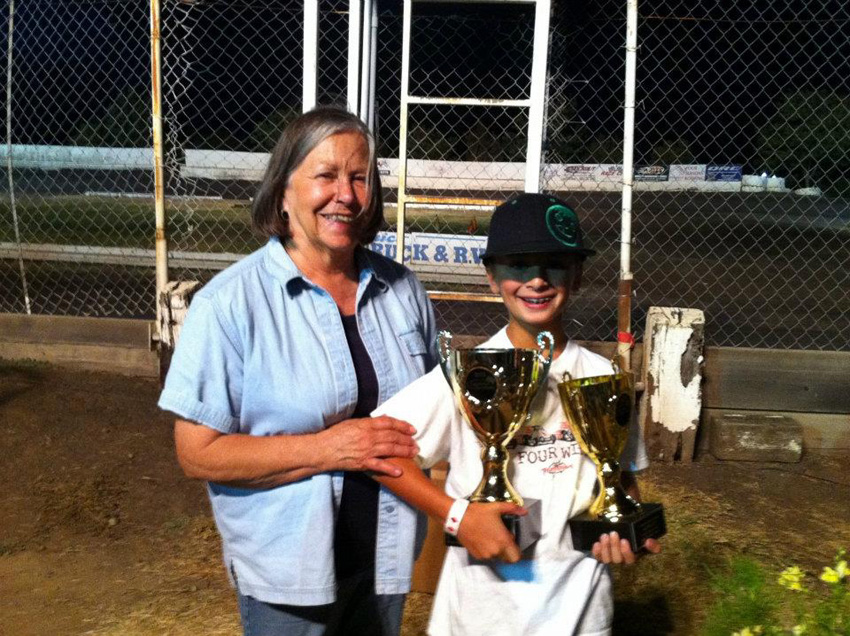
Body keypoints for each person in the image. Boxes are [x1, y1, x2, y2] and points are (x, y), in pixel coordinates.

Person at [158, 106, 438, 636]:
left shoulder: (404, 291)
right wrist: (329, 448)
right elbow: (197, 453)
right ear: (284, 191)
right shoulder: (229, 304)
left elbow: (429, 419)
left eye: (360, 178)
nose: (346, 195)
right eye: (326, 175)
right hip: (287, 577)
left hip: (387, 561)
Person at [373, 192, 661, 636]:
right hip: (480, 617)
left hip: (580, 614)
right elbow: (378, 449)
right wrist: (457, 516)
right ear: (492, 277)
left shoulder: (604, 377)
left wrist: (627, 532)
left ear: (577, 275)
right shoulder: (470, 374)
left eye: (554, 264)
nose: (537, 280)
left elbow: (621, 480)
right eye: (518, 265)